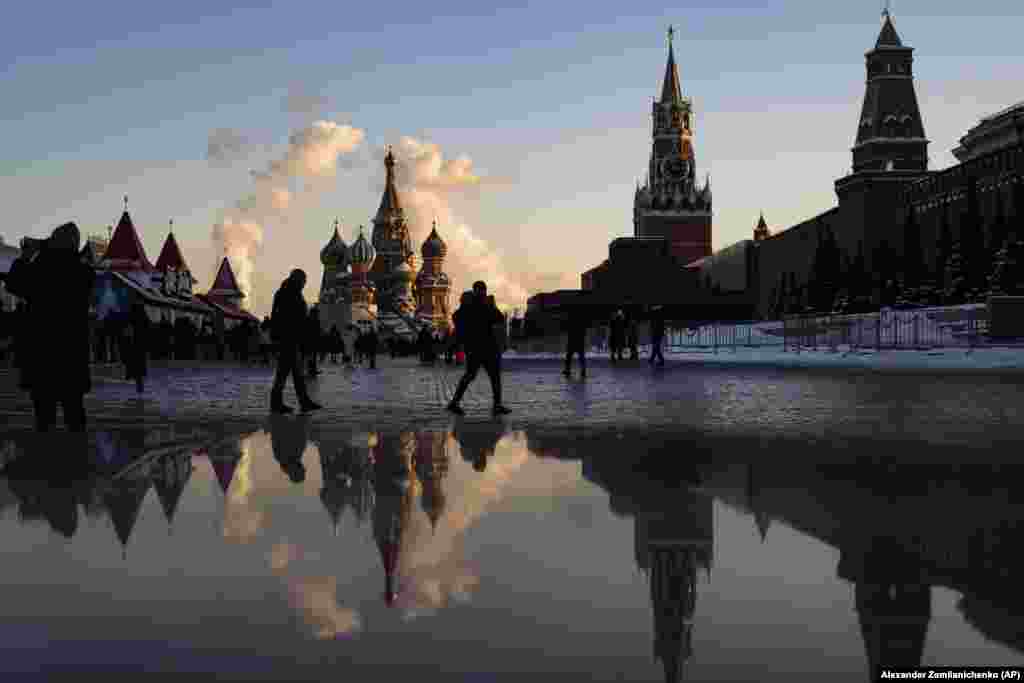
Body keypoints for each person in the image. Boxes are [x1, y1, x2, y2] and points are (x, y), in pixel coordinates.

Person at [5, 223, 96, 432]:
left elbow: (13, 284)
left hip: (43, 356)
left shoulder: (41, 269)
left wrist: (28, 255)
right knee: (75, 416)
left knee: (44, 419)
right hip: (71, 356)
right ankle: (78, 460)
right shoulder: (83, 272)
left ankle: (46, 460)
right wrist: (47, 248)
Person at [447, 281, 511, 417]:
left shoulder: (468, 305)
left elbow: (456, 317)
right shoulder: (485, 305)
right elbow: (499, 318)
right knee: (493, 377)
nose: (483, 293)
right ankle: (497, 405)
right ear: (482, 291)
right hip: (487, 348)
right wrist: (492, 305)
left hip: (474, 348)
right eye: (483, 290)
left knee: (470, 376)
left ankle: (454, 403)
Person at [269, 269, 322, 414]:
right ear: (298, 279)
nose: (305, 283)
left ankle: (298, 402)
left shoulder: (288, 292)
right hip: (288, 339)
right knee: (286, 373)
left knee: (293, 373)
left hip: (289, 339)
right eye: (304, 280)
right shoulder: (288, 293)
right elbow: (287, 318)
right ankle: (281, 403)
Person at [125, 300, 150, 393]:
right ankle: (139, 385)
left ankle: (138, 384)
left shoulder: (131, 315)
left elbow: (127, 329)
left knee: (135, 365)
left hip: (134, 343)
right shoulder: (143, 316)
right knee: (140, 366)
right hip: (141, 344)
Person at [562, 306, 588, 378]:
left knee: (569, 357)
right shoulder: (581, 321)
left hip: (573, 341)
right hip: (579, 341)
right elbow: (583, 332)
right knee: (581, 357)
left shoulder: (571, 321)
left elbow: (569, 331)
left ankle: (568, 370)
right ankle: (583, 371)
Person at [305, 306, 321, 378]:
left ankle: (312, 370)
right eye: (317, 313)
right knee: (311, 357)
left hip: (312, 341)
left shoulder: (310, 319)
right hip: (311, 341)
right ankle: (311, 370)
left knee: (312, 357)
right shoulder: (312, 320)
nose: (318, 314)